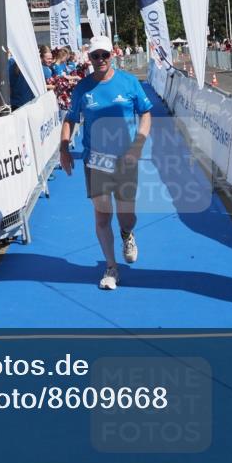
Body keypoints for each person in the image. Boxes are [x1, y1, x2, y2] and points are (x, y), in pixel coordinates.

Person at [59, 36, 153, 291]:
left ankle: (127, 234)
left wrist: (139, 143)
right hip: (95, 160)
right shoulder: (83, 88)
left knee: (126, 215)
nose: (100, 60)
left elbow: (145, 113)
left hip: (126, 158)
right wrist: (64, 147)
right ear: (88, 58)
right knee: (102, 214)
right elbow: (70, 118)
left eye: (104, 55)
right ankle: (111, 266)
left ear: (113, 55)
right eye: (95, 56)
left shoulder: (129, 82)